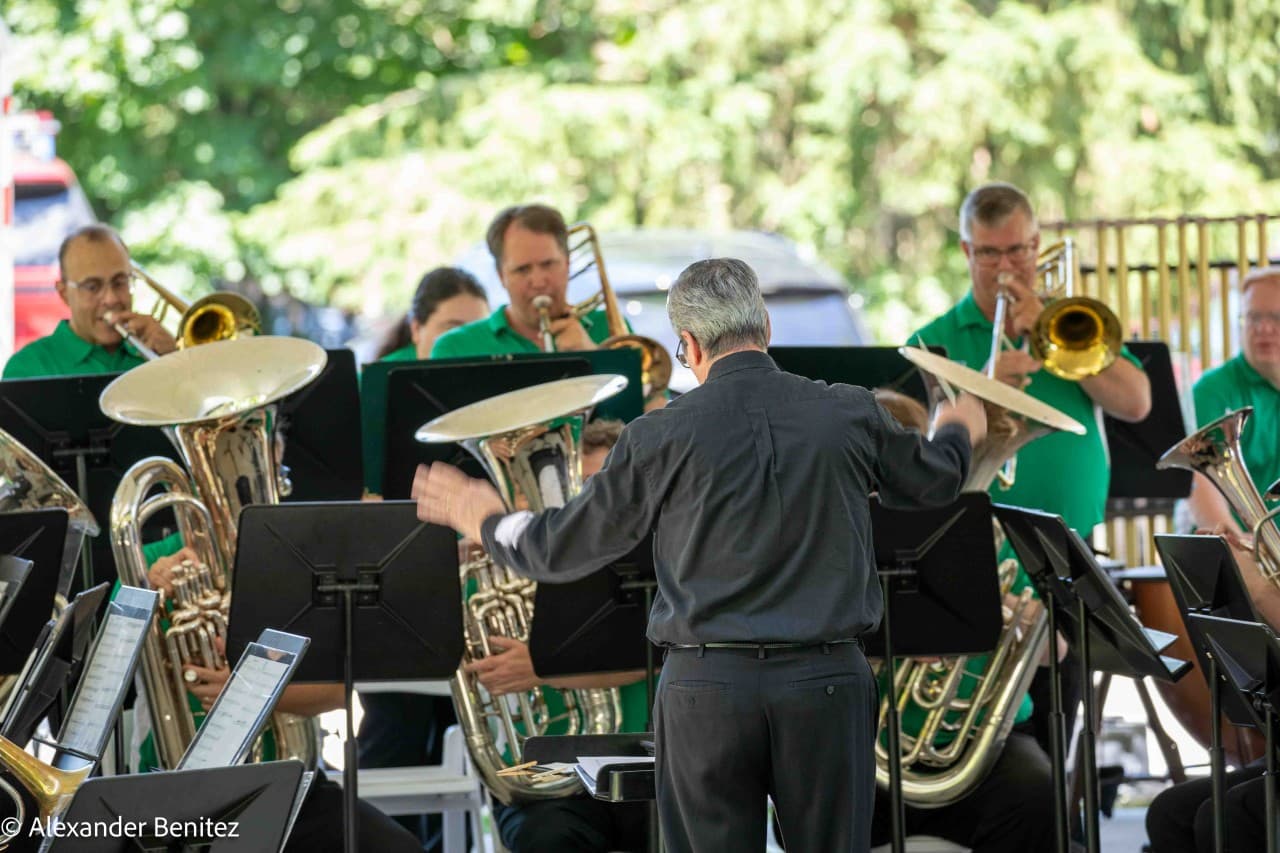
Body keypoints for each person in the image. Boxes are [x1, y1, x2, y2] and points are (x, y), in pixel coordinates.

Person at [414, 257, 986, 852]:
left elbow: (555, 550)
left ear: (686, 346)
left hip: (706, 689)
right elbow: (937, 482)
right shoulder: (850, 411)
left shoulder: (657, 435)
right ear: (765, 326)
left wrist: (486, 519)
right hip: (826, 683)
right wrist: (955, 427)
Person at [883, 181, 1152, 852]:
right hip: (970, 560)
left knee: (1051, 741)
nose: (1008, 268)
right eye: (991, 254)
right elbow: (920, 456)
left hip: (1061, 559)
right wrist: (986, 381)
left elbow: (1137, 402)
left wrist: (1047, 329)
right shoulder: (934, 340)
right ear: (966, 252)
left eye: (1020, 251)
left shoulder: (1071, 324)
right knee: (992, 736)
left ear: (1038, 246)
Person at [425, 205, 651, 853]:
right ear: (500, 275)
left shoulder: (609, 338)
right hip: (503, 552)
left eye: (549, 264)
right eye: (522, 269)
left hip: (641, 744)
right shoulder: (458, 349)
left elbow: (644, 445)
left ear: (568, 263)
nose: (539, 280)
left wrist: (591, 358)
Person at [359, 266, 490, 851]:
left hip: (475, 602)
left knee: (475, 741)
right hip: (398, 601)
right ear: (416, 329)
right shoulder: (379, 392)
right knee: (396, 737)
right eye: (450, 329)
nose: (464, 343)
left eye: (475, 330)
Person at [3, 224, 176, 378]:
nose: (111, 299)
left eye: (119, 282)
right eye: (92, 287)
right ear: (64, 293)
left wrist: (177, 360)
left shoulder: (156, 353)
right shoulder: (28, 367)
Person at [1186, 267, 1280, 534]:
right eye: (1253, 317)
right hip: (1231, 549)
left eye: (1275, 317)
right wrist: (1239, 546)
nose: (1263, 328)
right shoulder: (1212, 390)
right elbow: (1200, 481)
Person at [376, 267, 490, 361]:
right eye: (453, 329)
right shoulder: (380, 377)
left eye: (479, 329)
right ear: (416, 329)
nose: (468, 340)